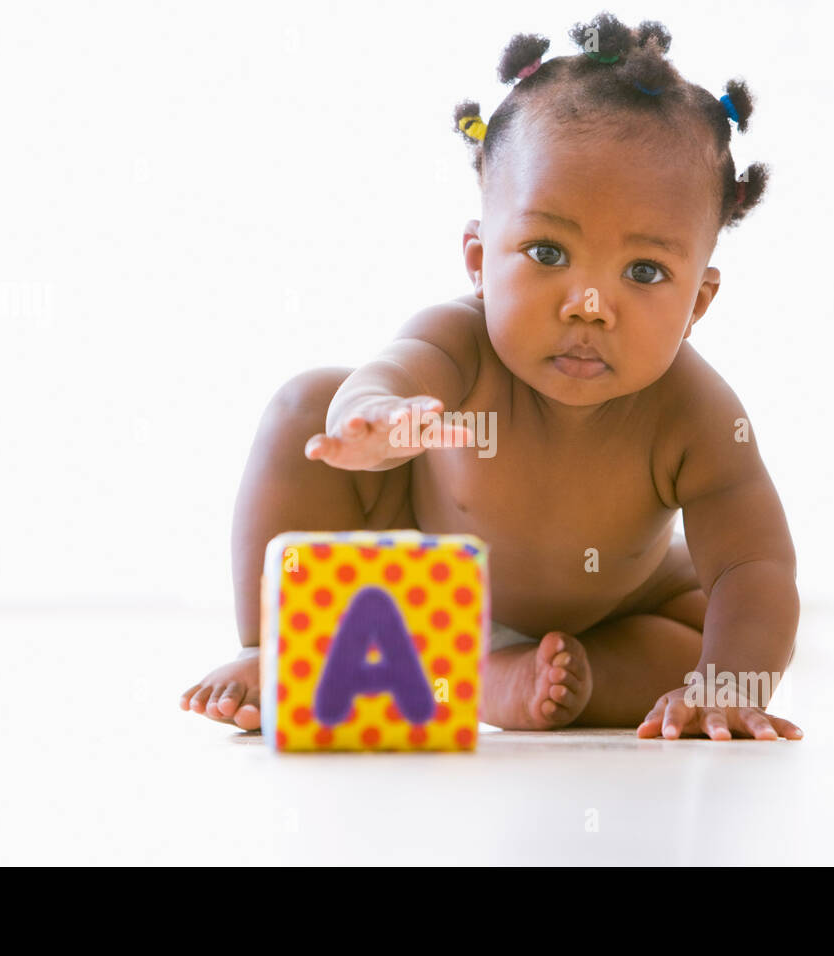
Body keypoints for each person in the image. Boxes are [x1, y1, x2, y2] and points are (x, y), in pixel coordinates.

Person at [182, 11, 802, 741]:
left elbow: (755, 563)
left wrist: (729, 684)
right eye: (546, 253)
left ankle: (534, 679)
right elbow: (388, 374)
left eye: (644, 271)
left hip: (613, 614)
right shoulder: (461, 343)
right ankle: (274, 645)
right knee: (304, 405)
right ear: (479, 262)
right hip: (417, 573)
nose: (588, 306)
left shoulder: (695, 413)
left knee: (701, 636)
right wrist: (379, 419)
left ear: (698, 300)